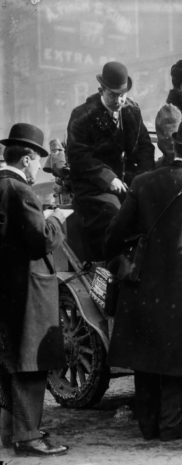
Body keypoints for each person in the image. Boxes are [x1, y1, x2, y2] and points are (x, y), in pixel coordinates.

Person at [105, 118, 182, 441]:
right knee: (175, 355)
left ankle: (148, 425)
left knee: (146, 354)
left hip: (141, 283)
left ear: (175, 146)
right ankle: (172, 424)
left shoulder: (143, 182)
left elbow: (113, 235)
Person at [0, 123, 69, 456]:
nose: (38, 167)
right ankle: (28, 437)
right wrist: (55, 219)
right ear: (27, 158)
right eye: (37, 160)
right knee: (30, 362)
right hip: (28, 290)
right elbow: (40, 240)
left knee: (8, 361)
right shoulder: (21, 191)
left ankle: (8, 432)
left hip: (5, 288)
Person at [66, 61, 155, 261]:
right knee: (113, 213)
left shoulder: (132, 110)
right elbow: (79, 157)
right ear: (102, 90)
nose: (119, 100)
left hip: (128, 183)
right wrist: (108, 178)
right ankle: (111, 268)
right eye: (113, 95)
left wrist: (143, 178)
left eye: (122, 94)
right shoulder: (82, 115)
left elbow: (145, 148)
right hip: (93, 187)